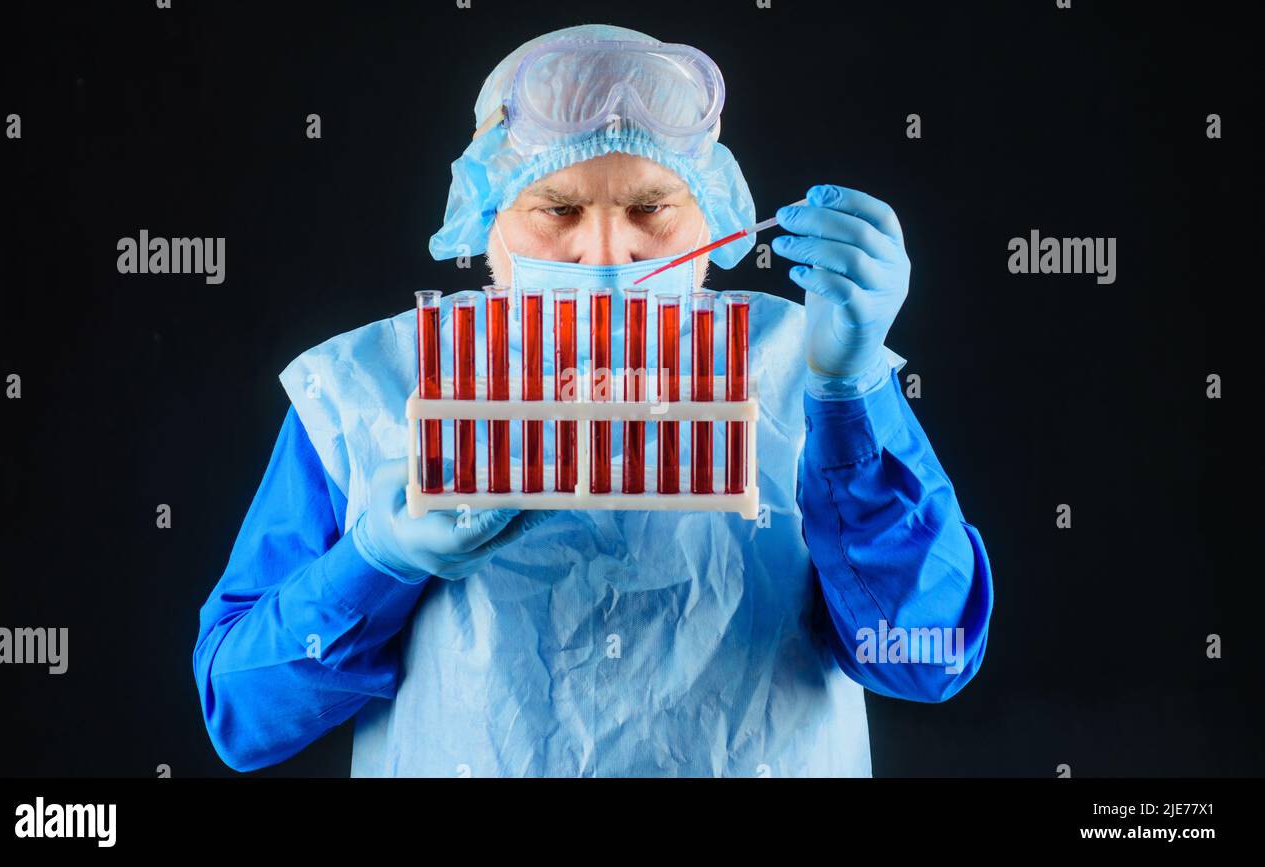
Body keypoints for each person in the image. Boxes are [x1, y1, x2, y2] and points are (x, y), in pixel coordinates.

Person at [193, 23, 993, 777]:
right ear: (488, 215)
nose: (608, 250)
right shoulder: (367, 387)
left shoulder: (803, 361)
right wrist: (375, 563)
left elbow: (926, 658)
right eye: (559, 209)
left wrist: (847, 396)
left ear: (710, 211)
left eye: (651, 206)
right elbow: (242, 713)